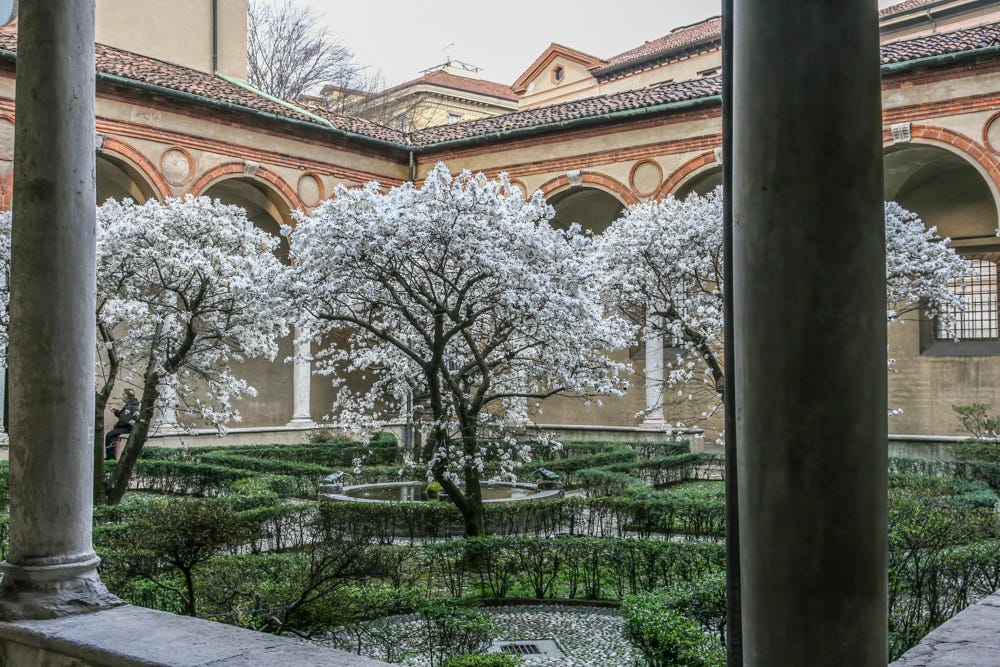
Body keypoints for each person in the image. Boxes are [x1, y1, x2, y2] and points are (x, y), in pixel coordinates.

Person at [104, 388, 139, 460]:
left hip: (129, 429)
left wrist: (116, 427)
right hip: (129, 427)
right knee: (113, 433)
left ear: (127, 396)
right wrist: (116, 412)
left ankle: (110, 458)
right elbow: (124, 416)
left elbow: (124, 421)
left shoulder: (129, 406)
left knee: (109, 435)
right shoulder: (132, 404)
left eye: (123, 395)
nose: (122, 396)